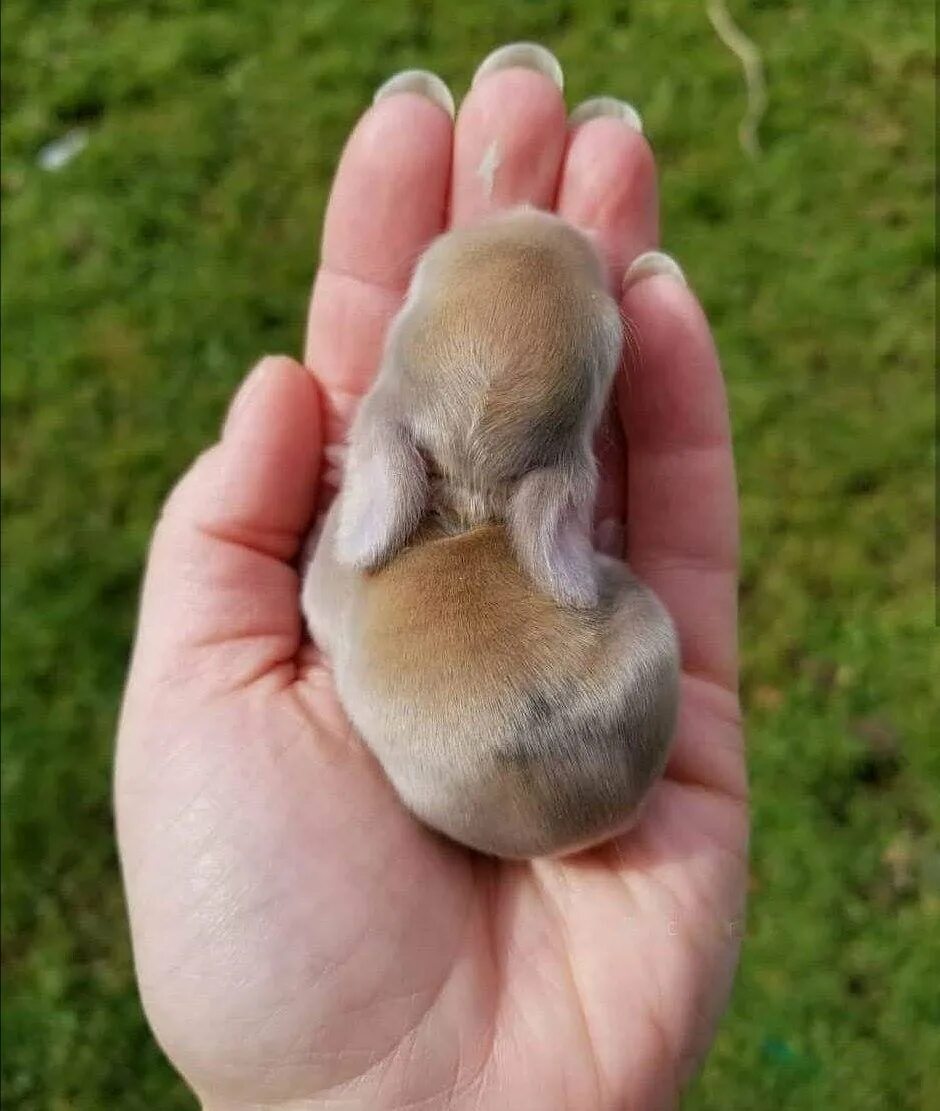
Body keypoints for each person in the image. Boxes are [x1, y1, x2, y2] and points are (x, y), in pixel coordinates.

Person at [115, 43, 747, 1110]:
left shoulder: (347, 566)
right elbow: (577, 588)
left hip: (454, 787)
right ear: (567, 495)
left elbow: (349, 573)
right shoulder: (558, 519)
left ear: (386, 456)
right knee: (614, 618)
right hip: (608, 773)